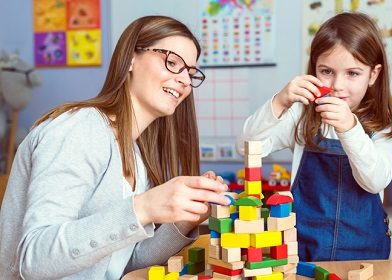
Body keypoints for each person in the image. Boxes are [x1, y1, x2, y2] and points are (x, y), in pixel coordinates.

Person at [0, 16, 231, 279]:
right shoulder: (79, 128)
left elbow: (120, 262)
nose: (185, 82)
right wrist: (143, 207)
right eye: (172, 62)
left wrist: (184, 220)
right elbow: (34, 258)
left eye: (190, 73)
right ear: (130, 59)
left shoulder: (135, 155)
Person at [237, 12, 392, 261]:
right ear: (314, 68)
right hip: (302, 250)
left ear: (374, 75)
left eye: (353, 73)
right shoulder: (302, 114)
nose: (337, 85)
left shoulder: (386, 122)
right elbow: (247, 147)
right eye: (326, 71)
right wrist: (279, 102)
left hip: (365, 253)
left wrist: (349, 128)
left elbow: (375, 181)